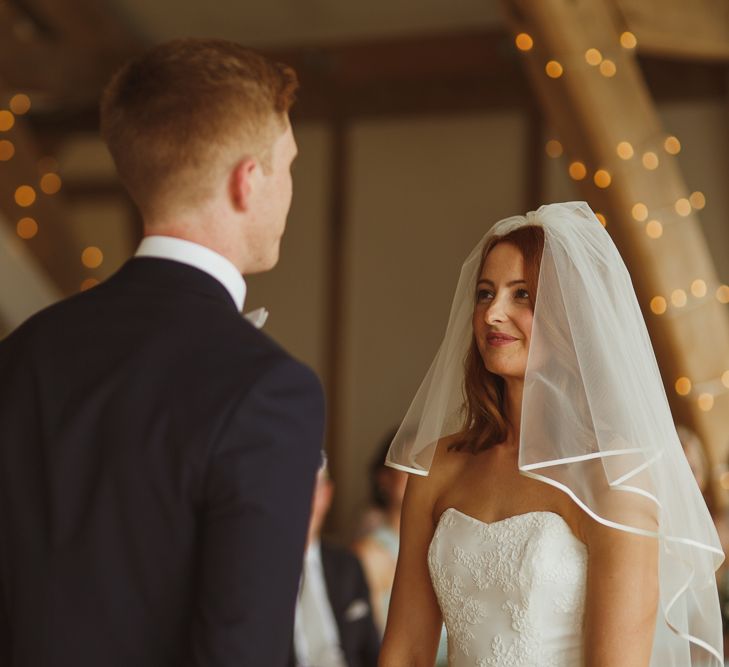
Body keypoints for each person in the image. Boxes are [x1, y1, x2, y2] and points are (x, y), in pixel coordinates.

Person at [0, 39, 325, 666]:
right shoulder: (269, 389)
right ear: (247, 182)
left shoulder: (22, 356)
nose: (289, 189)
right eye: (287, 166)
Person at [379, 202, 724, 666]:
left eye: (522, 295)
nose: (493, 314)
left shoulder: (615, 477)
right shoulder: (438, 467)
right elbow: (404, 652)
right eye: (485, 293)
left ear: (572, 318)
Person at [292, 456, 380, 667]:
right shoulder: (262, 572)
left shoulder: (347, 564)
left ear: (327, 494)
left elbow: (371, 650)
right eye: (297, 487)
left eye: (314, 487)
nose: (306, 498)